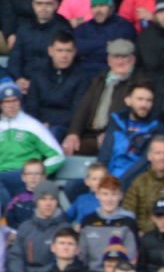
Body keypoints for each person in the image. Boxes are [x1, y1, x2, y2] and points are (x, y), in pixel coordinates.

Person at [62, 39, 145, 158]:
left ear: (133, 60)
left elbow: (133, 114)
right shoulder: (100, 79)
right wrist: (73, 133)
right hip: (91, 134)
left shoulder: (139, 83)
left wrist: (111, 133)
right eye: (116, 57)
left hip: (119, 136)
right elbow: (84, 108)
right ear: (109, 60)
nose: (120, 61)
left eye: (124, 57)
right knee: (66, 147)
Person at [0, 80, 66, 211]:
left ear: (20, 102)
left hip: (22, 174)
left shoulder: (32, 125)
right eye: (7, 102)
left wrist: (37, 172)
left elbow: (58, 156)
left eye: (15, 101)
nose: (11, 105)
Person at [22, 31, 90, 141]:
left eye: (68, 51)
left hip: (64, 128)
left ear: (74, 52)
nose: (64, 55)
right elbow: (31, 106)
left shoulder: (82, 77)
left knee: (51, 135)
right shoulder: (38, 74)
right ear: (50, 51)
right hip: (39, 125)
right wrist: (39, 124)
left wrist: (49, 123)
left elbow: (78, 111)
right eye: (60, 50)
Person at [79, 175, 141, 272]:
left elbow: (131, 257)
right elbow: (82, 256)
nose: (109, 199)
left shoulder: (128, 223)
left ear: (121, 196)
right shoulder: (88, 221)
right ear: (97, 195)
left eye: (114, 194)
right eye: (105, 194)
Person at [7, 0, 71, 86]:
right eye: (39, 3)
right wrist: (18, 78)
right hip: (23, 82)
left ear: (56, 5)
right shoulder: (24, 29)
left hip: (51, 84)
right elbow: (15, 59)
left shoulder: (64, 29)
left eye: (48, 3)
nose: (43, 8)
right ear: (33, 5)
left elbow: (64, 63)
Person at [125, 138, 164, 234]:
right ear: (149, 156)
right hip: (142, 236)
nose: (162, 158)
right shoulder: (139, 181)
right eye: (158, 153)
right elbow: (128, 212)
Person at [74, 0, 135, 76]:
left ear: (111, 8)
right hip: (84, 74)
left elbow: (118, 52)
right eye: (94, 7)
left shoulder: (123, 26)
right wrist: (104, 42)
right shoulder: (84, 27)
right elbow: (76, 48)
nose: (98, 10)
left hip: (112, 73)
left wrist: (89, 46)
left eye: (102, 6)